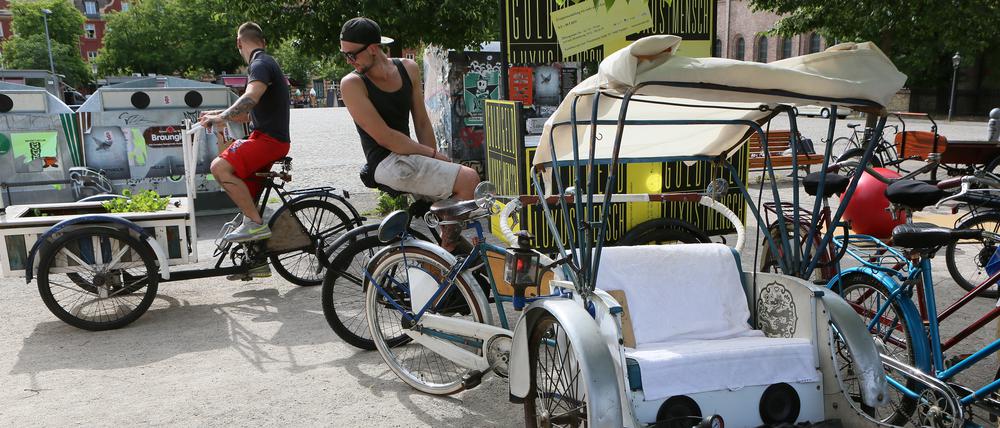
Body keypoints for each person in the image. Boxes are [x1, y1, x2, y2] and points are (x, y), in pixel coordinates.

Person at [339, 17, 479, 252]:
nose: (349, 60)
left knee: (457, 200)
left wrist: (433, 157)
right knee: (469, 179)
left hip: (409, 156)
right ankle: (444, 261)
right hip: (386, 162)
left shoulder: (408, 68)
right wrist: (432, 153)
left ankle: (445, 253)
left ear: (373, 48)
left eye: (352, 54)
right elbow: (386, 137)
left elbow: (422, 122)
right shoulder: (352, 84)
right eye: (345, 55)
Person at [200, 22, 290, 278]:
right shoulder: (266, 63)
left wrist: (222, 118)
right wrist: (218, 115)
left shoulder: (259, 64)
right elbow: (246, 112)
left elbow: (250, 98)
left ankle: (255, 225)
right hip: (268, 138)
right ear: (263, 40)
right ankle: (257, 262)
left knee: (219, 167)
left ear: (239, 43)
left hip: (269, 141)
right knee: (246, 198)